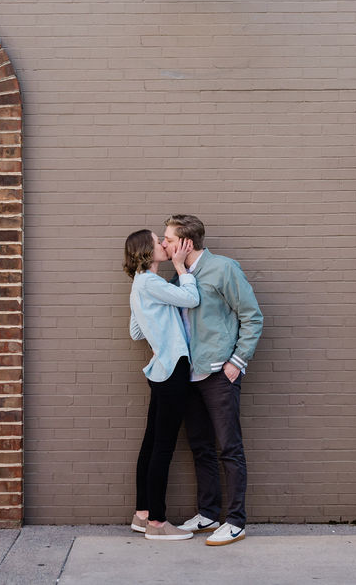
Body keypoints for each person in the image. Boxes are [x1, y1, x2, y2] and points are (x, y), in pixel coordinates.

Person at [162, 214, 263, 547]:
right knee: (201, 448)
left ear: (186, 243)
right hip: (189, 375)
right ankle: (207, 513)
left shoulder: (224, 269)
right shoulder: (180, 277)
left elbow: (252, 316)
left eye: (169, 239)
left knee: (229, 449)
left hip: (219, 373)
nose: (164, 244)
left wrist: (236, 362)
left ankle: (235, 521)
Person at [124, 229, 199, 541]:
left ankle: (142, 515)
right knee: (163, 448)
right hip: (174, 369)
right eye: (158, 242)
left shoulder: (140, 285)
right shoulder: (151, 282)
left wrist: (158, 329)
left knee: (152, 443)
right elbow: (192, 298)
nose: (164, 245)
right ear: (146, 250)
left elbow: (135, 331)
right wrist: (181, 268)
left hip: (161, 370)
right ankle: (157, 523)